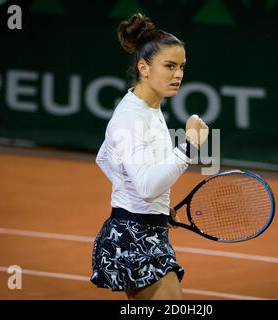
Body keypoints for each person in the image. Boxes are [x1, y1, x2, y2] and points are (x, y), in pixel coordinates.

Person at [90, 12, 209, 300]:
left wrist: (154, 205)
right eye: (169, 66)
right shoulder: (132, 117)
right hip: (133, 238)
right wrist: (189, 146)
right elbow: (145, 186)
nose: (178, 74)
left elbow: (104, 157)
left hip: (142, 229)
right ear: (144, 67)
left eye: (181, 66)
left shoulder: (148, 108)